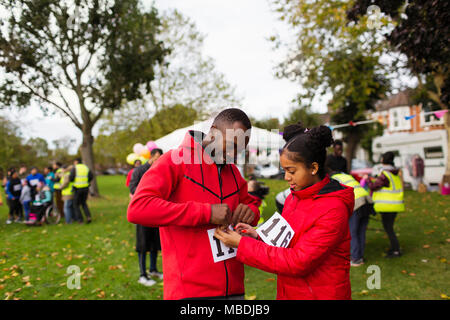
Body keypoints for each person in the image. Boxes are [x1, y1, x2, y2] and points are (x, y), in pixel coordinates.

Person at [127, 108, 261, 300]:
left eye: (239, 150)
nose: (233, 155)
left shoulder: (232, 172)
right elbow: (138, 209)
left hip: (234, 289)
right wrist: (206, 213)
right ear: (214, 131)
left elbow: (251, 206)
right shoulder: (173, 161)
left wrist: (251, 211)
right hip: (190, 292)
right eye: (231, 145)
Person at [214, 122, 354, 300]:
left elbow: (298, 262)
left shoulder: (333, 209)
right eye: (284, 170)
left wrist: (242, 245)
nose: (287, 177)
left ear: (313, 168)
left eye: (292, 171)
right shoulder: (293, 198)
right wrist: (257, 237)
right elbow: (286, 240)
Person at [327, 161, 376, 267]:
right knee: (361, 230)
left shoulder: (333, 179)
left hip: (356, 202)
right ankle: (360, 256)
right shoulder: (345, 175)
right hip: (367, 200)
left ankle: (356, 258)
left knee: (353, 232)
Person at [129, 149, 163, 287]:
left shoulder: (160, 169)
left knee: (155, 243)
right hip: (143, 212)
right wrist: (149, 193)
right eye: (158, 157)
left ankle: (153, 270)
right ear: (153, 156)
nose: (160, 160)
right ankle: (142, 275)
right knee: (143, 245)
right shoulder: (139, 170)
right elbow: (132, 188)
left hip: (157, 212)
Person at [363, 151, 404, 258]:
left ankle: (396, 250)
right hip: (395, 205)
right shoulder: (394, 173)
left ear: (382, 160)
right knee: (389, 227)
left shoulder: (385, 174)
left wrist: (367, 179)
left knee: (389, 228)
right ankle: (394, 248)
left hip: (388, 206)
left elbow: (373, 186)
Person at [69, 158, 93, 224]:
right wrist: (86, 181)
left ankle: (80, 220)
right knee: (84, 203)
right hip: (85, 188)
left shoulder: (75, 168)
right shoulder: (86, 167)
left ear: (76, 162)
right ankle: (88, 217)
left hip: (77, 188)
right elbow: (91, 176)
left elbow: (71, 178)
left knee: (76, 204)